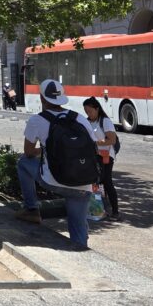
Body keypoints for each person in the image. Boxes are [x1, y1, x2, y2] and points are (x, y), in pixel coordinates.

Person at [15, 79, 96, 250]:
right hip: (83, 183)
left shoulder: (37, 120)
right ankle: (82, 254)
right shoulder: (80, 119)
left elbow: (28, 152)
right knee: (78, 227)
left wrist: (46, 150)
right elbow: (93, 147)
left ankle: (31, 209)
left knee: (23, 163)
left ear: (42, 98)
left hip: (53, 180)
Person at [83, 95, 120, 221]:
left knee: (106, 181)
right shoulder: (87, 121)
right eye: (86, 111)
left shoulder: (105, 121)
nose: (88, 114)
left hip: (106, 156)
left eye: (90, 111)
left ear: (97, 109)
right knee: (96, 182)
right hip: (94, 155)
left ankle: (115, 212)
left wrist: (95, 143)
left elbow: (112, 140)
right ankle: (99, 209)